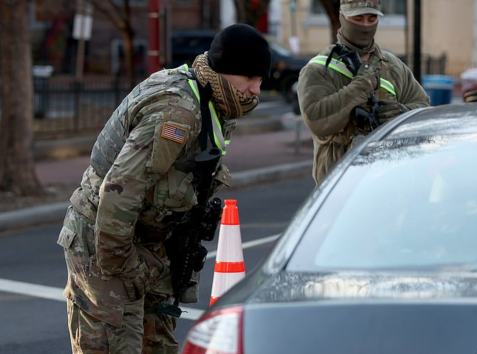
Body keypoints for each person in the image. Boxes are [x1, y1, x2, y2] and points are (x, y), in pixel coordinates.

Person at [56, 23, 271, 354]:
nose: (256, 91)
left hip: (146, 243)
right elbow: (119, 193)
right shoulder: (179, 111)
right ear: (226, 74)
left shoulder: (212, 100)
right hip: (105, 243)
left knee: (157, 344)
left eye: (260, 81)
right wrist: (125, 267)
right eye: (251, 80)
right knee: (115, 346)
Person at [297, 0, 430, 184]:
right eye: (358, 18)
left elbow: (423, 108)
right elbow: (317, 119)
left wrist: (400, 114)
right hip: (339, 185)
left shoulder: (392, 65)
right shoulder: (319, 69)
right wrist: (360, 87)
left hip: (390, 181)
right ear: (343, 17)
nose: (366, 25)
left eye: (371, 18)